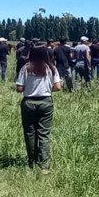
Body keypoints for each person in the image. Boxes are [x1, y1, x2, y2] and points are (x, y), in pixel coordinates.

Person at [15, 45, 61, 173]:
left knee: (30, 133)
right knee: (44, 134)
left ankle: (32, 162)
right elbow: (58, 87)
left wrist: (29, 88)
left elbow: (19, 89)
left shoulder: (26, 68)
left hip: (29, 102)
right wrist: (46, 89)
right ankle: (44, 165)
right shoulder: (51, 68)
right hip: (46, 102)